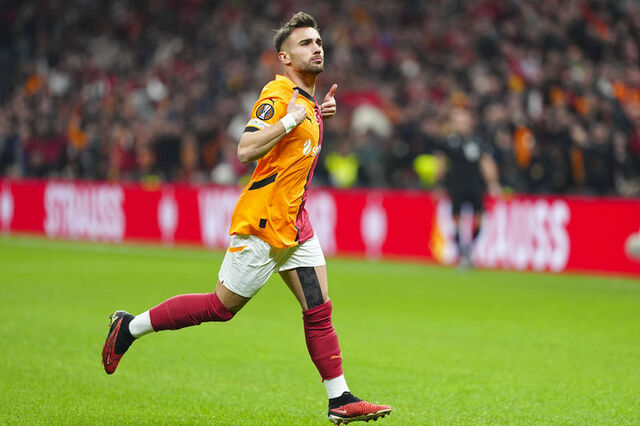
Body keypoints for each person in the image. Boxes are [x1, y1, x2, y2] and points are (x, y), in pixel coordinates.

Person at [101, 12, 392, 425]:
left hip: (294, 223)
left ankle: (339, 399)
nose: (316, 47)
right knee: (220, 306)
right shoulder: (278, 95)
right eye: (305, 43)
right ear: (284, 58)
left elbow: (293, 142)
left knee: (318, 308)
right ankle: (129, 328)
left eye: (318, 41)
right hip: (264, 223)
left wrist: (314, 113)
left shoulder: (305, 101)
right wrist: (291, 118)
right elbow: (245, 149)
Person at [435, 107, 501, 267]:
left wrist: (493, 183)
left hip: (475, 184)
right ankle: (462, 251)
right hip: (456, 184)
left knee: (478, 219)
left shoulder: (478, 140)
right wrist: (439, 184)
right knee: (456, 218)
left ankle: (470, 247)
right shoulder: (448, 141)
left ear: (470, 122)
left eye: (463, 121)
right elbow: (441, 162)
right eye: (457, 121)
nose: (461, 124)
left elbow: (486, 161)